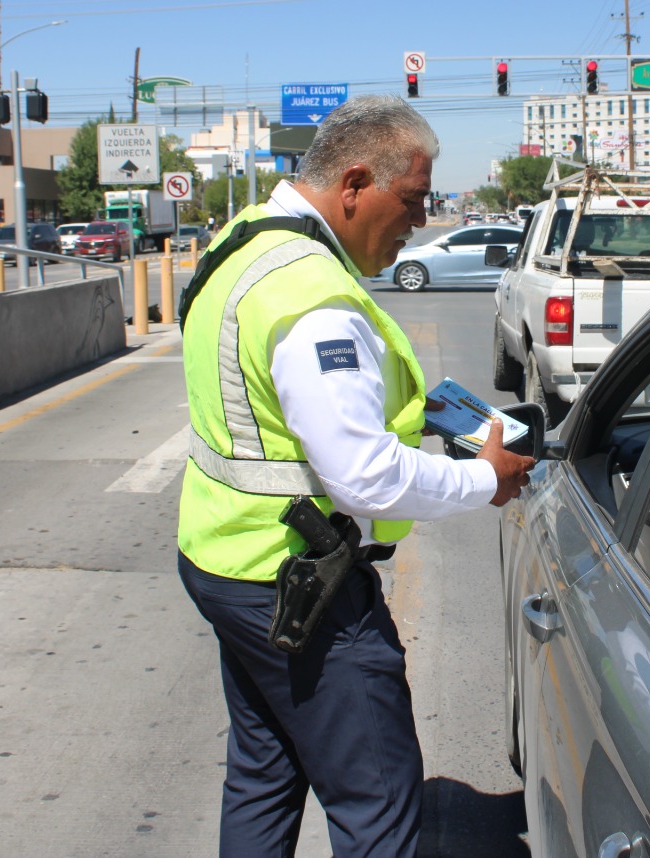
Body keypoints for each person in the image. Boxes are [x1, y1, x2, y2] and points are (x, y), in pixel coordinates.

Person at [177, 94, 537, 857]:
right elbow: (365, 477)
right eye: (412, 200)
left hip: (222, 560)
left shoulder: (246, 240)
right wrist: (486, 479)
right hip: (294, 584)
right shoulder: (314, 301)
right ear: (354, 185)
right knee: (377, 798)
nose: (420, 221)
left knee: (264, 773)